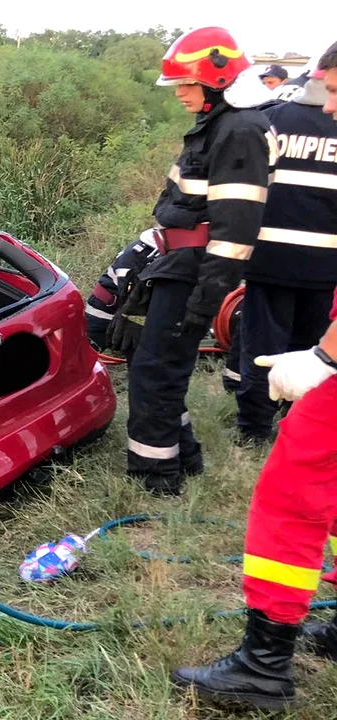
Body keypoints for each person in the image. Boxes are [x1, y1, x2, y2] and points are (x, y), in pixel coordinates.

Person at [170, 47, 337, 712]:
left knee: (292, 495)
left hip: (287, 281)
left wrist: (325, 358)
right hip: (317, 282)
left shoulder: (255, 124)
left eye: (336, 91)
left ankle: (264, 667)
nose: (327, 107)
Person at [108, 27, 275, 495]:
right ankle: (183, 458)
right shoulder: (221, 125)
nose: (179, 94)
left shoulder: (239, 131)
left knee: (156, 369)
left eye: (186, 84)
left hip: (194, 269)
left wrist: (206, 299)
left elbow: (235, 228)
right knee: (156, 363)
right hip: (178, 262)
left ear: (217, 79)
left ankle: (156, 478)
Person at [235, 51, 337, 445]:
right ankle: (299, 425)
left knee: (261, 346)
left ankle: (254, 429)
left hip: (270, 259)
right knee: (313, 349)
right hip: (327, 265)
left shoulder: (273, 120)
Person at [84, 228, 162, 360]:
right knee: (82, 359)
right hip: (104, 314)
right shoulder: (139, 258)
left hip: (119, 310)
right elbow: (135, 301)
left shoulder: (148, 251)